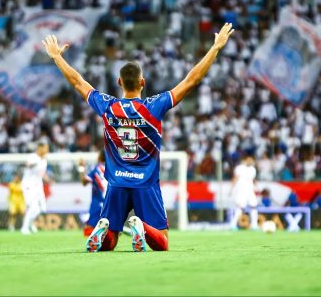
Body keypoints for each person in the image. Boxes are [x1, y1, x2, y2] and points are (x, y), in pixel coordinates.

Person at [42, 23, 234, 252]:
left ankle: (104, 229)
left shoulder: (108, 106)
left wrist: (56, 57)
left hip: (116, 184)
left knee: (109, 244)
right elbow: (191, 80)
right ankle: (141, 227)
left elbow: (77, 82)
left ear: (119, 83)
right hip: (146, 184)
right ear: (142, 82)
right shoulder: (154, 106)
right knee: (161, 242)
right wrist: (215, 48)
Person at [21, 142, 50, 235]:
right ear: (40, 149)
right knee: (33, 206)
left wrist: (49, 179)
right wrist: (36, 162)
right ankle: (24, 228)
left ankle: (30, 224)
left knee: (41, 209)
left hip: (38, 186)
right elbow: (28, 165)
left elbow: (42, 174)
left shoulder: (44, 160)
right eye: (45, 148)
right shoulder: (33, 157)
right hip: (29, 185)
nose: (47, 151)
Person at [79, 151, 107, 236]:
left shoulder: (97, 169)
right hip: (110, 203)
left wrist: (81, 167)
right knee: (112, 230)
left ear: (99, 157)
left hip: (98, 203)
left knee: (89, 230)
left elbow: (84, 182)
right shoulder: (113, 169)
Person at [229, 155, 259, 230]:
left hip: (250, 191)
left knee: (254, 206)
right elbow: (235, 178)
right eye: (249, 160)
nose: (251, 161)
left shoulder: (253, 169)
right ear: (246, 160)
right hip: (241, 191)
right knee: (240, 208)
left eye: (252, 160)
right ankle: (233, 224)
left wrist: (257, 187)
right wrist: (231, 189)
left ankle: (254, 225)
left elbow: (253, 179)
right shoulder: (239, 168)